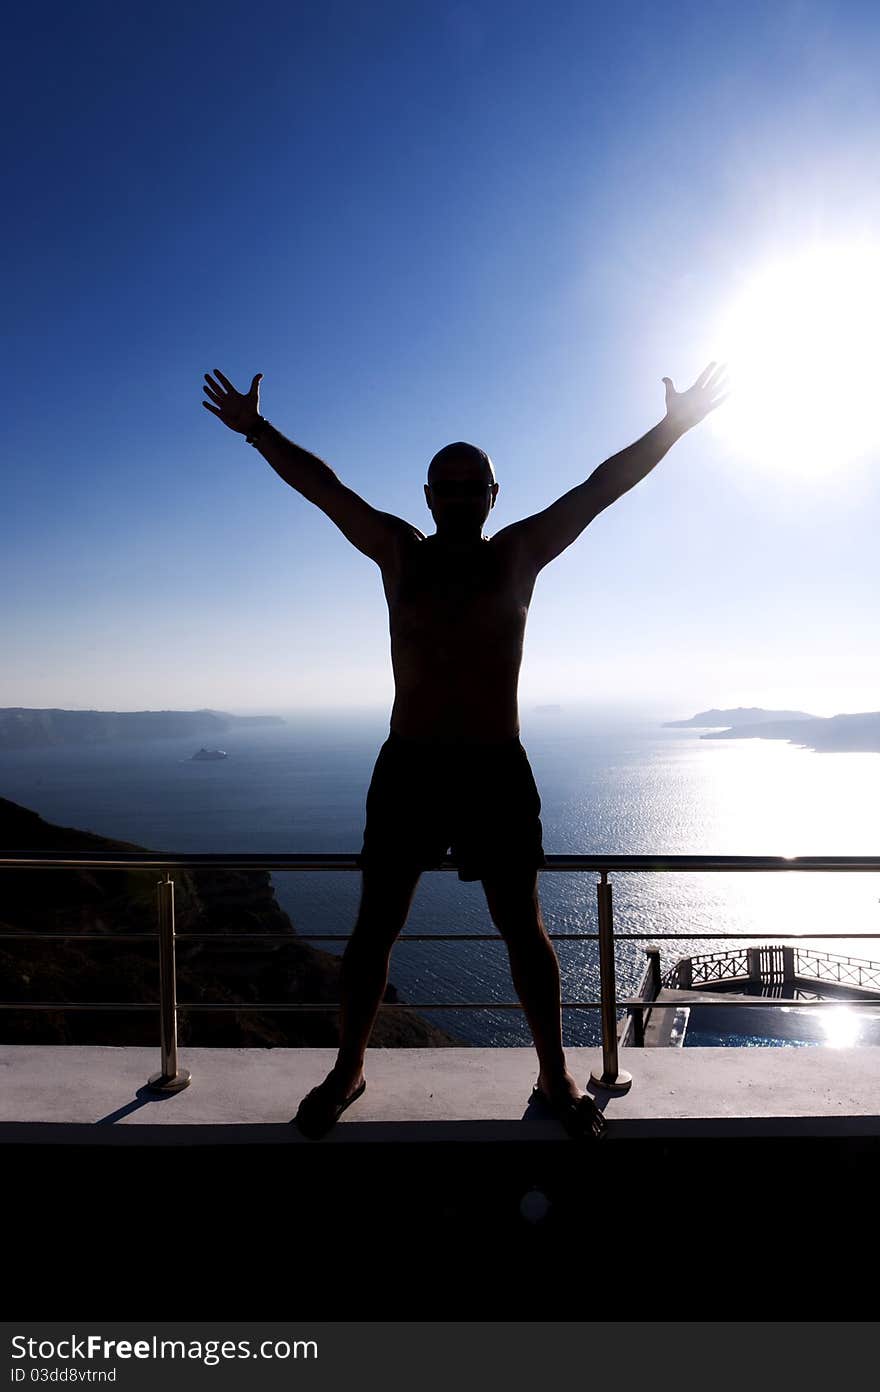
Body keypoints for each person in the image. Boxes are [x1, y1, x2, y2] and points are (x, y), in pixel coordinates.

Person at [202, 362, 727, 1138]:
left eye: (469, 484)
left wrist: (675, 427)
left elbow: (599, 487)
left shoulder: (516, 554)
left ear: (491, 496)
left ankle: (554, 1074)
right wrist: (256, 431)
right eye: (443, 484)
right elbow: (325, 488)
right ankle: (348, 1068)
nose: (455, 495)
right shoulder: (398, 553)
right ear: (427, 497)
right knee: (374, 928)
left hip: (493, 769)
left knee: (525, 929)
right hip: (410, 765)